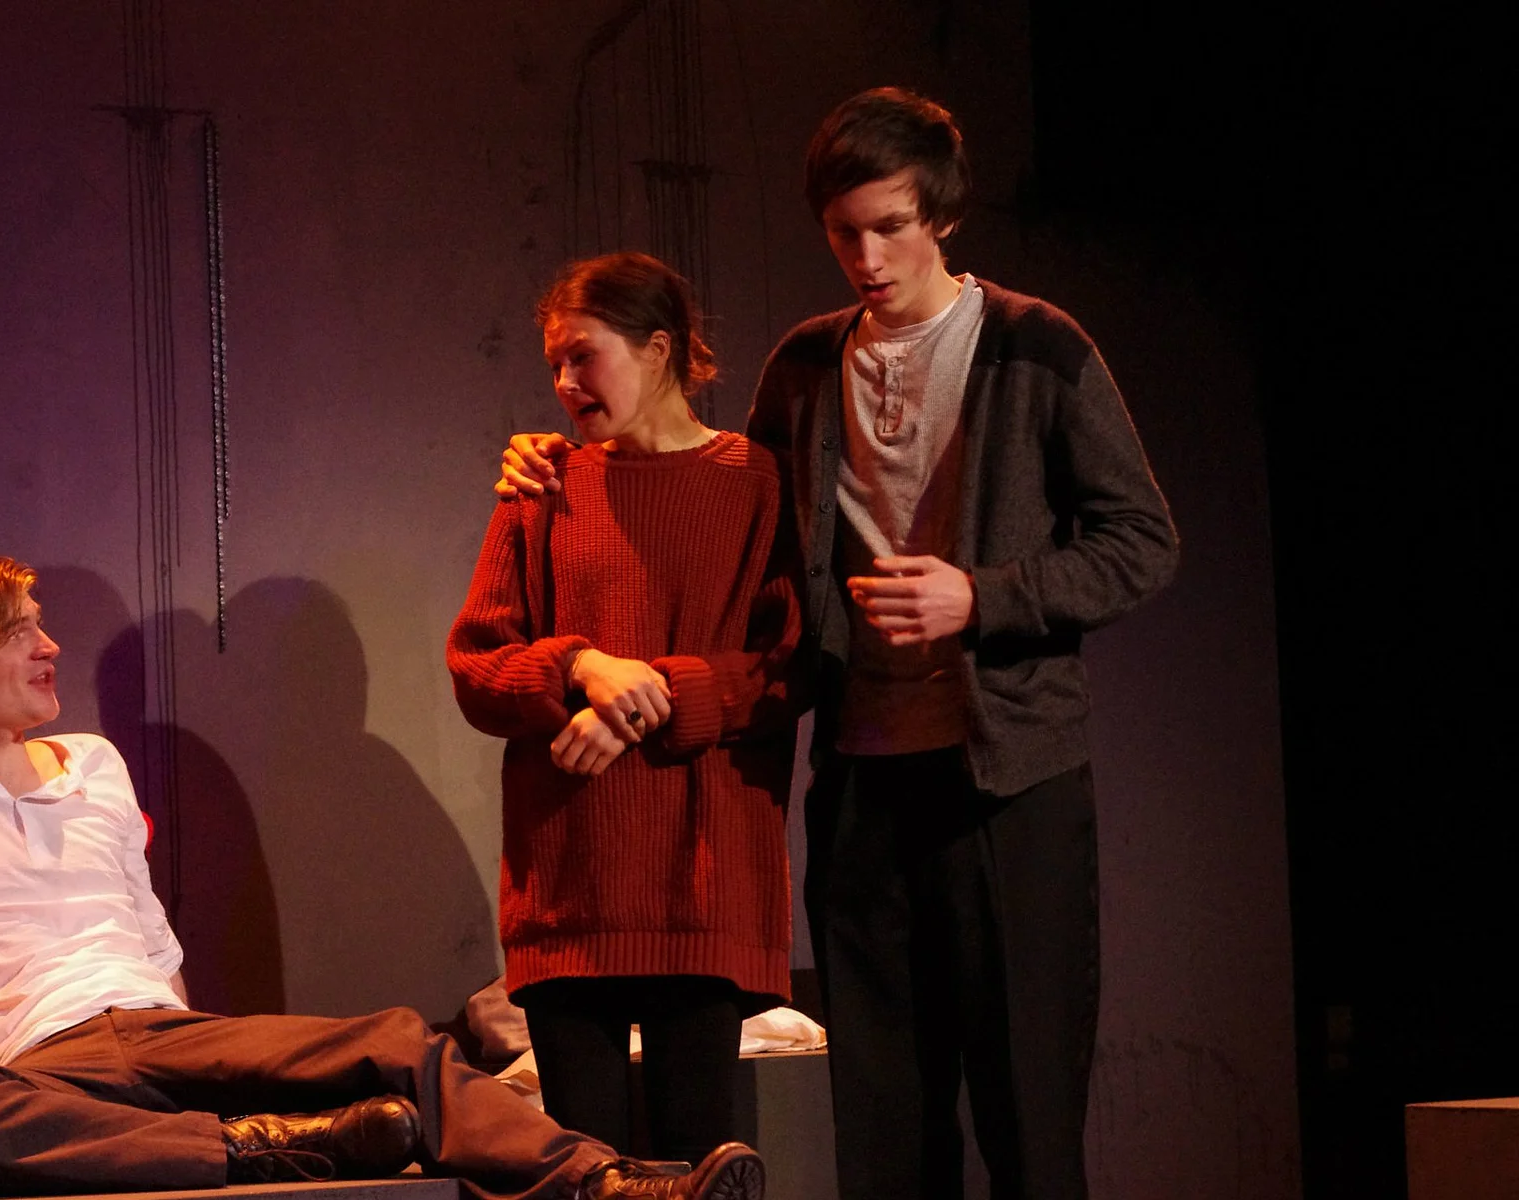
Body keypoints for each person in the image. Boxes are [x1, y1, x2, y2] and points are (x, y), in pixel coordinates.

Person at [497, 90, 1178, 1199]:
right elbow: (733, 519)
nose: (866, 257)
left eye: (890, 227)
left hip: (1010, 778)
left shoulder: (1034, 346)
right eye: (843, 232)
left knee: (1027, 1107)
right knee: (884, 1118)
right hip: (866, 781)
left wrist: (983, 597)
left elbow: (1142, 542)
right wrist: (558, 457)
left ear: (942, 216)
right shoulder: (807, 366)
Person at [0, 547, 765, 1200]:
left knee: (400, 1040)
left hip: (156, 1030)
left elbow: (148, 932)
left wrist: (199, 1052)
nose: (48, 647)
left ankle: (608, 1181)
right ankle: (265, 1149)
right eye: (16, 633)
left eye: (40, 624)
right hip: (29, 1064)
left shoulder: (94, 762)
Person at [447, 253, 803, 1167]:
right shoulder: (543, 488)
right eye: (554, 364)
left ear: (659, 349)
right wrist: (581, 665)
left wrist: (649, 698)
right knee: (586, 1173)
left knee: (698, 1163)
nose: (565, 383)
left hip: (699, 885)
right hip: (573, 888)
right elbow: (476, 667)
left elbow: (786, 666)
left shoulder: (753, 483)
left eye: (584, 356)